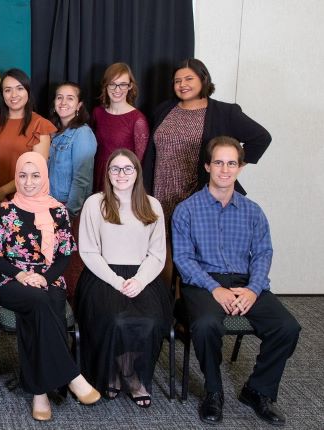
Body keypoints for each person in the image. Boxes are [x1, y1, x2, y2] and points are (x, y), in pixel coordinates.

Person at [172, 137, 300, 426]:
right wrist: (215, 288)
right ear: (207, 166)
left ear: (240, 168)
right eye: (218, 162)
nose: (225, 169)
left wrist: (254, 290)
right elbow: (183, 259)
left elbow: (264, 253)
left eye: (232, 163)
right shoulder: (187, 210)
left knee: (288, 327)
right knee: (206, 325)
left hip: (246, 282)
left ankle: (257, 390)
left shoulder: (253, 211)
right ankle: (213, 392)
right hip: (203, 283)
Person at [0, 152, 100, 422]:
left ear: (44, 176)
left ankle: (39, 392)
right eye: (23, 175)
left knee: (41, 304)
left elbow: (64, 255)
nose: (28, 182)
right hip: (11, 280)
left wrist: (45, 279)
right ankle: (72, 376)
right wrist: (22, 275)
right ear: (16, 177)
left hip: (50, 279)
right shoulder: (4, 211)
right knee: (39, 301)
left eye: (35, 175)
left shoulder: (57, 210)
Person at [75, 149, 170, 408]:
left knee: (149, 321)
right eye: (115, 169)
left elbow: (157, 254)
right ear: (107, 174)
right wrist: (117, 281)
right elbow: (88, 251)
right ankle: (113, 372)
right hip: (103, 276)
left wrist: (139, 280)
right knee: (115, 320)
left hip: (143, 276)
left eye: (128, 168)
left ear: (137, 172)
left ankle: (130, 373)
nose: (121, 174)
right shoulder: (95, 203)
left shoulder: (153, 206)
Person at [143, 58, 271, 219]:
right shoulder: (163, 110)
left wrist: (234, 164)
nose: (182, 84)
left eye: (189, 79)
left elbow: (261, 138)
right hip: (160, 196)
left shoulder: (225, 113)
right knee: (163, 243)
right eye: (178, 81)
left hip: (200, 197)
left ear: (203, 80)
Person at [0, 69, 56, 206]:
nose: (14, 95)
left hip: (25, 201)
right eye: (8, 90)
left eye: (19, 88)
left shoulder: (39, 125)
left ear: (28, 91)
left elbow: (37, 170)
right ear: (2, 95)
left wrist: (2, 191)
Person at [91, 63, 149, 193]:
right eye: (112, 84)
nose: (117, 89)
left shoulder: (138, 119)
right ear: (106, 86)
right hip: (98, 175)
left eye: (123, 84)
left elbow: (139, 163)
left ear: (130, 86)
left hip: (121, 180)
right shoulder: (97, 113)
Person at [47, 82, 97, 216]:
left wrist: (69, 213)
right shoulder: (52, 132)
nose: (63, 102)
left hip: (68, 208)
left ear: (79, 105)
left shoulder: (82, 133)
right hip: (49, 205)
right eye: (59, 97)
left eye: (70, 98)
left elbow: (81, 179)